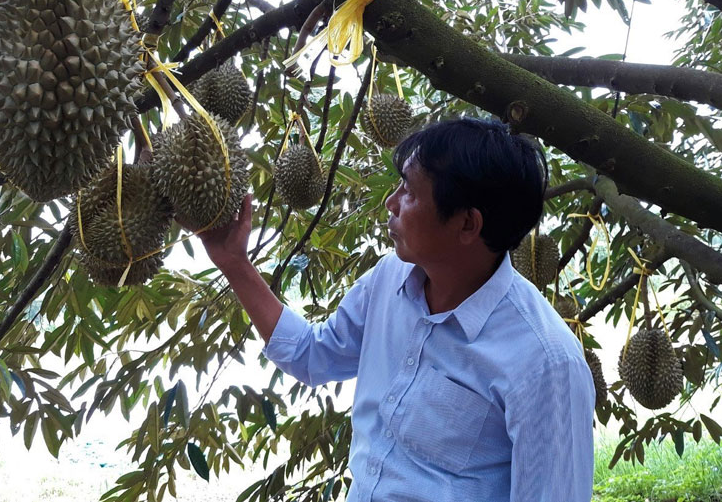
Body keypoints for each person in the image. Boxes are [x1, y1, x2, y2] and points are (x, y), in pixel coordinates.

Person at [197, 117, 595, 502]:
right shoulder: (390, 278)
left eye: (410, 192)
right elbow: (312, 356)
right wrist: (235, 263)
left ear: (468, 225)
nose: (391, 202)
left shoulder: (547, 364)